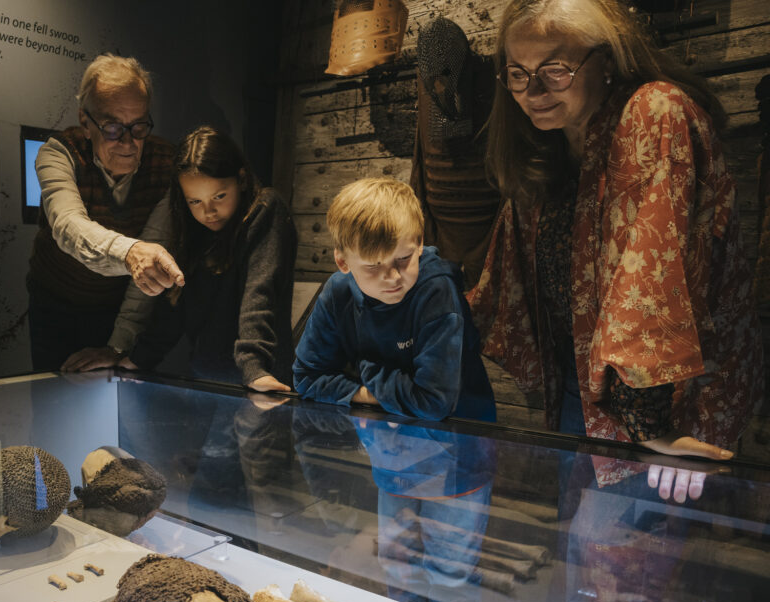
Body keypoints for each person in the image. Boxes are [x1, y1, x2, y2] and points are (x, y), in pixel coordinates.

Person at [467, 0, 762, 485]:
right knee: (577, 553)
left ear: (607, 61)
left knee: (613, 551)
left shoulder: (653, 110)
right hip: (580, 392)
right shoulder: (553, 146)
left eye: (555, 70)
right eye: (518, 74)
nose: (533, 91)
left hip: (662, 406)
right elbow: (506, 277)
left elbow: (651, 276)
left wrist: (651, 427)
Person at [63, 126, 297, 392]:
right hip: (207, 382)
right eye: (195, 201)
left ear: (241, 180)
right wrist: (137, 359)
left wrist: (255, 370)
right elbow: (175, 304)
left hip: (263, 383)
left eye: (219, 196)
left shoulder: (265, 210)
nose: (208, 211)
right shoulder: (194, 229)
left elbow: (260, 292)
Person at [27, 53, 185, 371]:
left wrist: (118, 345)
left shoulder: (167, 164)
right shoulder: (59, 153)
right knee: (53, 398)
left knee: (116, 399)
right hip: (54, 303)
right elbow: (68, 227)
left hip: (116, 307)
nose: (128, 142)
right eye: (113, 127)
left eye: (139, 126)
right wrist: (130, 253)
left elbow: (151, 259)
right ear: (86, 122)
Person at [293, 177, 496, 422]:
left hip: (462, 434)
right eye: (373, 266)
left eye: (403, 259)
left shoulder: (436, 292)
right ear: (343, 262)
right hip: (385, 434)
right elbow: (306, 378)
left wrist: (368, 370)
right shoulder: (337, 292)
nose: (392, 277)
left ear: (419, 243)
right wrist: (369, 394)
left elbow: (434, 403)